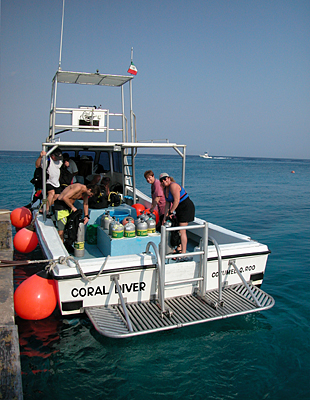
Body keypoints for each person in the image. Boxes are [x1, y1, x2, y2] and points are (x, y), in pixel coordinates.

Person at [160, 172, 195, 261]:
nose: (164, 181)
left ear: (169, 178)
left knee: (182, 231)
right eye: (162, 180)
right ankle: (179, 248)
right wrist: (165, 217)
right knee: (177, 228)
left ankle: (183, 254)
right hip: (178, 208)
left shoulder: (173, 186)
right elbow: (167, 204)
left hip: (186, 207)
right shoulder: (165, 189)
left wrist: (171, 212)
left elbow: (176, 200)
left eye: (165, 178)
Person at [35, 148, 63, 214]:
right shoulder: (47, 160)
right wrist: (40, 157)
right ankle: (46, 210)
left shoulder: (60, 161)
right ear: (52, 155)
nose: (57, 159)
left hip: (56, 182)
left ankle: (45, 206)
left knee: (57, 196)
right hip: (48, 181)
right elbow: (37, 165)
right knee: (51, 193)